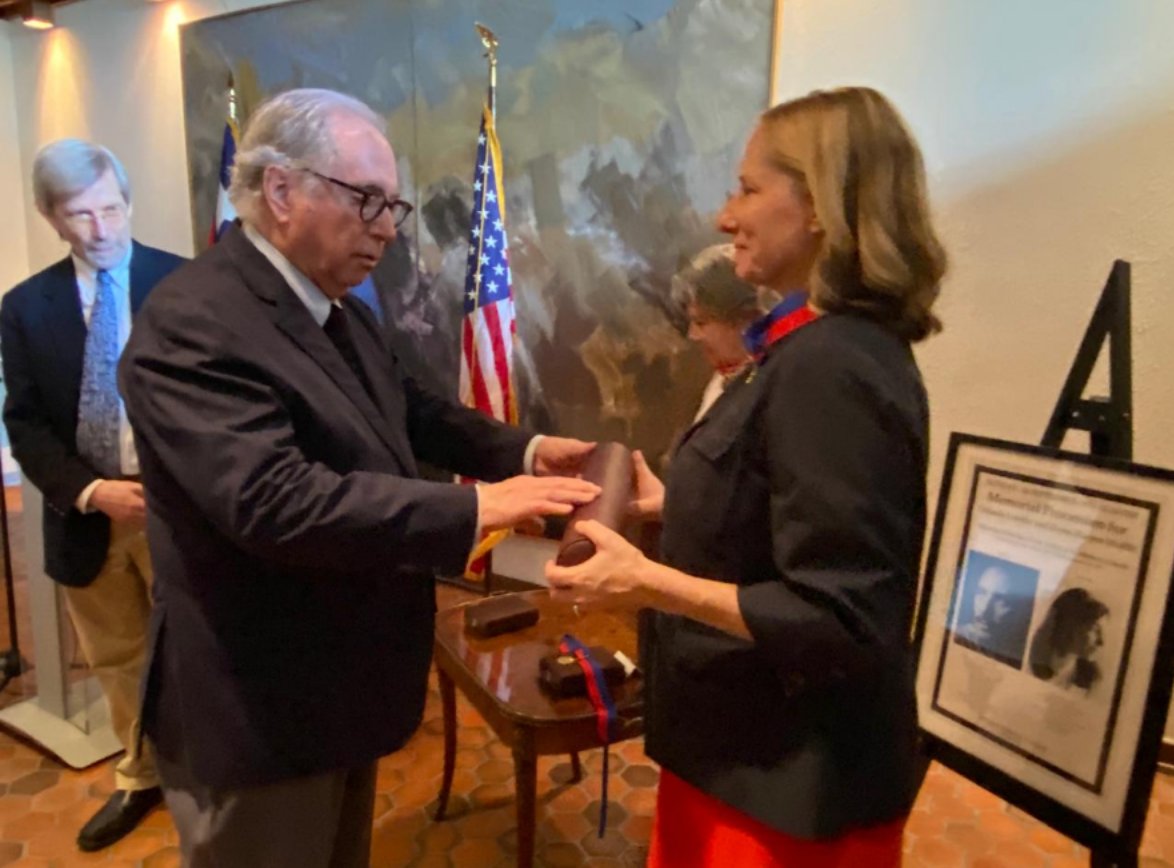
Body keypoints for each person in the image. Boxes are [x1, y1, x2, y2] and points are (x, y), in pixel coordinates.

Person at [117, 88, 598, 867]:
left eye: (392, 206)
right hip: (260, 704)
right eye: (366, 200)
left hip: (338, 687)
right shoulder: (193, 320)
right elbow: (275, 502)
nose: (385, 226)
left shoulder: (337, 306)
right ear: (280, 190)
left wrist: (525, 450)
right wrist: (477, 508)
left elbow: (406, 410)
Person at [546, 86, 946, 867]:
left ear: (822, 205)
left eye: (749, 189)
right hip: (742, 766)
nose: (725, 216)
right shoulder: (811, 349)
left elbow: (844, 614)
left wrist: (647, 583)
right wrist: (678, 502)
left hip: (787, 792)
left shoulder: (831, 365)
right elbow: (782, 510)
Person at [0, 139, 186, 852]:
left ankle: (205, 769)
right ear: (52, 218)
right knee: (119, 656)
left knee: (198, 648)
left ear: (127, 201)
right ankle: (141, 776)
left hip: (177, 510)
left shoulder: (181, 284)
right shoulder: (25, 307)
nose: (102, 228)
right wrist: (91, 491)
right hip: (87, 516)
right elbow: (26, 422)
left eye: (112, 207)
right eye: (81, 214)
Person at [671, 243, 765, 422]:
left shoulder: (776, 383)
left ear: (742, 318)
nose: (693, 335)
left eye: (701, 322)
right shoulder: (721, 383)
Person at [1029, 588, 1110, 693]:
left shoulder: (1085, 675)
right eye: (1094, 629)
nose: (1100, 642)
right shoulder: (1046, 671)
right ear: (1072, 631)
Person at [954, 564, 1030, 666]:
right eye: (981, 592)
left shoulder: (1018, 657)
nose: (985, 610)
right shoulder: (955, 636)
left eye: (999, 600)